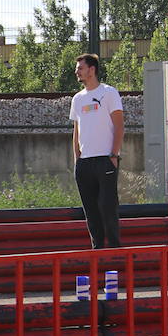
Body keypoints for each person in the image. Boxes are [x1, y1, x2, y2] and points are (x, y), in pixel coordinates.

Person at [69, 53, 124, 248]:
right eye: (77, 68)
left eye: (81, 68)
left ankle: (115, 250)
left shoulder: (108, 93)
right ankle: (98, 250)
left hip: (105, 160)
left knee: (107, 207)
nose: (77, 71)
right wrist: (77, 159)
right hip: (85, 163)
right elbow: (77, 131)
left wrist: (114, 155)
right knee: (91, 211)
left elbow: (119, 126)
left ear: (92, 70)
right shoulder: (77, 99)